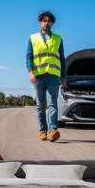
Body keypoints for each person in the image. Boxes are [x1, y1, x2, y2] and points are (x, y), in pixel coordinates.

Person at [26, 11, 66, 142]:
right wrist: (31, 72)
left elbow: (62, 59)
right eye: (44, 20)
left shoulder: (58, 39)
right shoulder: (33, 38)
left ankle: (53, 130)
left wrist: (63, 77)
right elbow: (29, 57)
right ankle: (43, 130)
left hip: (54, 76)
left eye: (49, 21)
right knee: (40, 105)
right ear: (40, 22)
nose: (46, 23)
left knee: (53, 103)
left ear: (52, 23)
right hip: (38, 76)